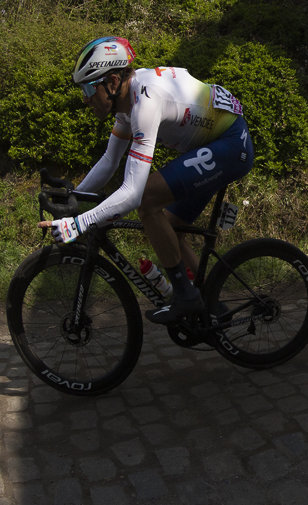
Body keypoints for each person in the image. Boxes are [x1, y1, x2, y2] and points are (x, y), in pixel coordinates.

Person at [39, 37, 255, 325]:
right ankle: (212, 307)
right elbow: (109, 162)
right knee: (171, 227)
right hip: (215, 144)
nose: (85, 97)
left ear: (113, 82)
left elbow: (132, 193)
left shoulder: (146, 103)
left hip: (231, 143)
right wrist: (74, 197)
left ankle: (186, 297)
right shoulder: (127, 103)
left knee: (147, 201)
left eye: (89, 87)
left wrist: (77, 224)